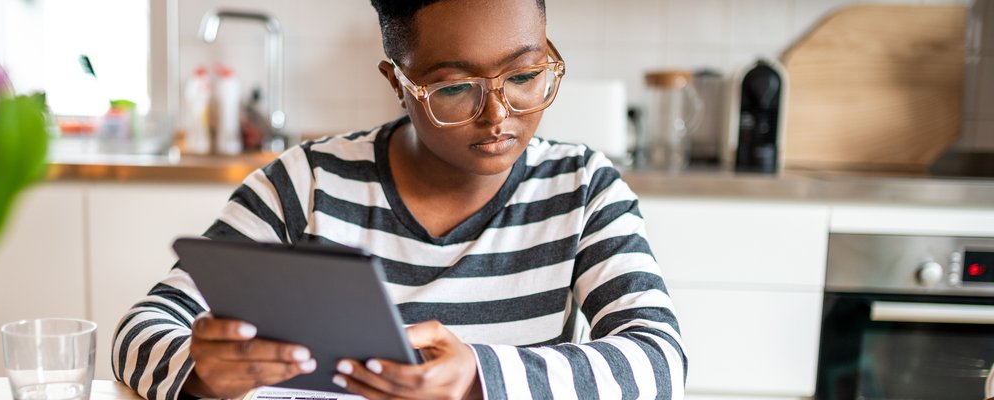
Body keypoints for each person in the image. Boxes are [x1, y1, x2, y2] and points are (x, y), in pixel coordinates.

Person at [111, 0, 687, 398]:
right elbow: (140, 329)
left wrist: (476, 378)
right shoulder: (308, 183)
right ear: (397, 82)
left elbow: (658, 361)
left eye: (525, 74)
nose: (499, 115)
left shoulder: (582, 186)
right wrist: (204, 373)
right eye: (455, 88)